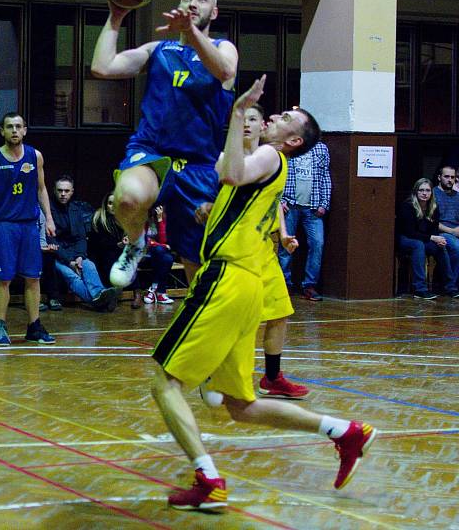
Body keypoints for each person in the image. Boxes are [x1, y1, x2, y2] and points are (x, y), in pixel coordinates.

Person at [150, 77, 376, 511]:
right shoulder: (269, 161)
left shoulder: (272, 155)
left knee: (164, 380)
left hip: (226, 279)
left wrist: (237, 114)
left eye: (284, 118)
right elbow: (226, 172)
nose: (274, 115)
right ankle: (344, 431)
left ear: (292, 140)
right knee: (241, 406)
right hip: (247, 285)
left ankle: (208, 478)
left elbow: (231, 172)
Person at [91, 0, 238, 287]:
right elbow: (103, 67)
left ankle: (203, 324)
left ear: (214, 11)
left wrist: (193, 34)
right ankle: (135, 241)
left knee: (197, 270)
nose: (193, 2)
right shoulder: (158, 50)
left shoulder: (224, 48)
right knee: (128, 198)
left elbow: (224, 71)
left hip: (198, 165)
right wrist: (116, 16)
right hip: (153, 151)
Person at [197, 104, 309, 399]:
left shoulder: (270, 158)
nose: (248, 123)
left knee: (279, 314)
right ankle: (212, 369)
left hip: (261, 250)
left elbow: (273, 203)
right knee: (233, 318)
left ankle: (271, 376)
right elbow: (225, 186)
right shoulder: (245, 158)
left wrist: (283, 234)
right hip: (237, 252)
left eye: (253, 118)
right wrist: (209, 206)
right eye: (242, 118)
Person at [0, 112, 56, 346]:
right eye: (9, 127)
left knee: (33, 277)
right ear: (2, 131)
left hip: (29, 225)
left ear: (25, 130)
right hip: (2, 226)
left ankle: (34, 326)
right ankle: (0, 326)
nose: (14, 131)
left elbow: (41, 189)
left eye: (18, 126)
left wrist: (49, 218)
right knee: (4, 278)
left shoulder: (35, 156)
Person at [50, 175, 118, 311]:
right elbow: (51, 240)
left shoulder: (76, 209)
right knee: (72, 276)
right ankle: (101, 302)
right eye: (60, 190)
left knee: (90, 265)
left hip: (76, 253)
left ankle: (100, 297)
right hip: (56, 255)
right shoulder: (49, 209)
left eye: (66, 191)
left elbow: (81, 237)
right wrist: (69, 261)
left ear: (72, 191)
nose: (63, 194)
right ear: (54, 191)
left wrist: (80, 256)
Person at [278, 138, 331, 301]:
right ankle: (284, 284)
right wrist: (279, 200)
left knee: (317, 243)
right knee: (286, 245)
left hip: (313, 206)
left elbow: (325, 176)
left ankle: (309, 285)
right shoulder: (287, 148)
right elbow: (278, 175)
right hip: (290, 204)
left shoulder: (321, 149)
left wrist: (324, 203)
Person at [396, 178, 458, 300]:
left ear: (431, 193)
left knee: (440, 246)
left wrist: (436, 239)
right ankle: (420, 289)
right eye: (421, 190)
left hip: (425, 238)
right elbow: (410, 232)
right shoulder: (407, 206)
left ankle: (450, 287)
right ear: (416, 192)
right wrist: (432, 237)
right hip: (406, 238)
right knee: (418, 245)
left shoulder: (433, 207)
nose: (425, 193)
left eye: (428, 191)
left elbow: (434, 229)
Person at [142, 205, 175, 305]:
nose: (155, 211)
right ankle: (160, 292)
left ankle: (154, 289)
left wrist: (160, 220)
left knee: (167, 258)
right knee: (162, 252)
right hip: (145, 254)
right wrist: (161, 245)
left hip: (158, 255)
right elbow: (144, 241)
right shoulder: (143, 219)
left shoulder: (163, 219)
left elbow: (163, 239)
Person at [433, 165, 459, 292]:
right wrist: (452, 231)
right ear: (439, 177)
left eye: (452, 177)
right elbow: (430, 221)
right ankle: (450, 286)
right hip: (441, 231)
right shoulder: (432, 194)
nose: (450, 180)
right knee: (456, 247)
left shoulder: (457, 196)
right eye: (446, 176)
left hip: (456, 230)